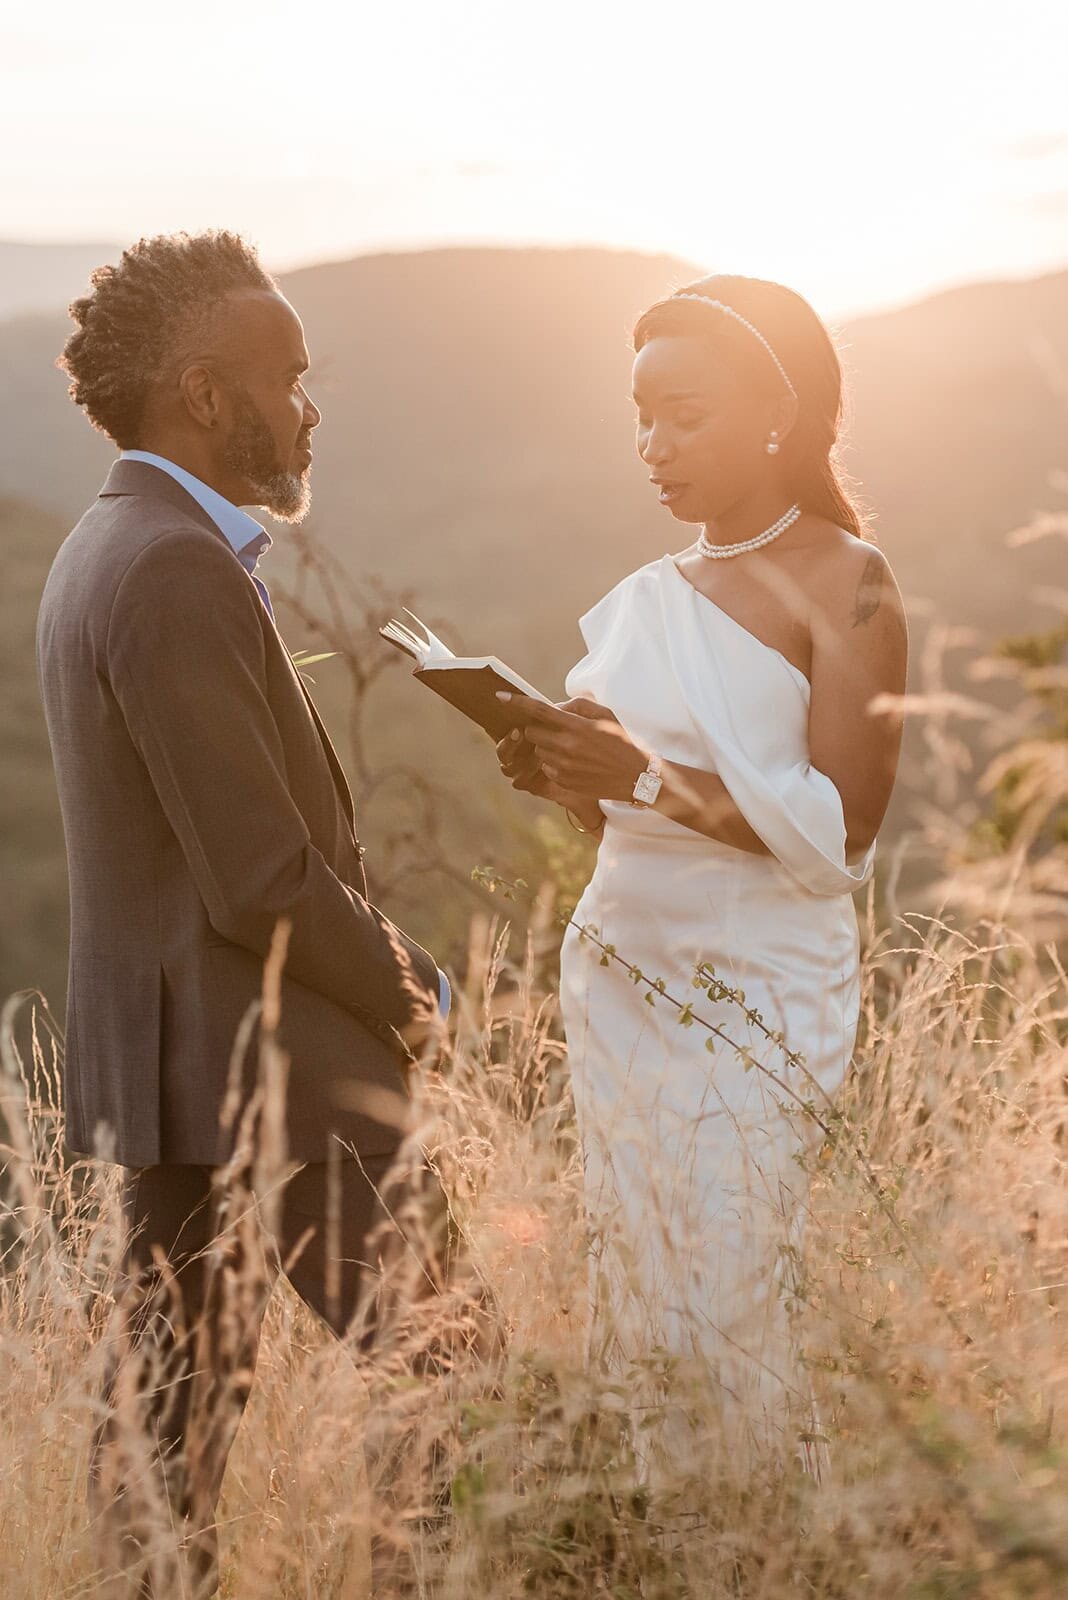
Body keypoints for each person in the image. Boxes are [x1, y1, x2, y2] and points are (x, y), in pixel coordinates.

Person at [37, 230, 455, 1596]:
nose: (310, 403)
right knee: (456, 1385)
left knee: (162, 1459)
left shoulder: (105, 543)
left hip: (168, 1071)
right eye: (290, 372)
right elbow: (261, 878)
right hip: (267, 1069)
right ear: (205, 394)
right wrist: (421, 993)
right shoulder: (170, 566)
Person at [496, 273, 908, 1473]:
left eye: (684, 413)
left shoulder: (853, 581)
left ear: (777, 412)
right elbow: (624, 815)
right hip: (624, 968)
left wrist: (638, 779)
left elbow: (840, 838)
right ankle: (671, 1530)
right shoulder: (645, 602)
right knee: (643, 1278)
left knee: (729, 1273)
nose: (651, 446)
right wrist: (568, 774)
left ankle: (769, 1527)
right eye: (640, 416)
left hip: (762, 981)